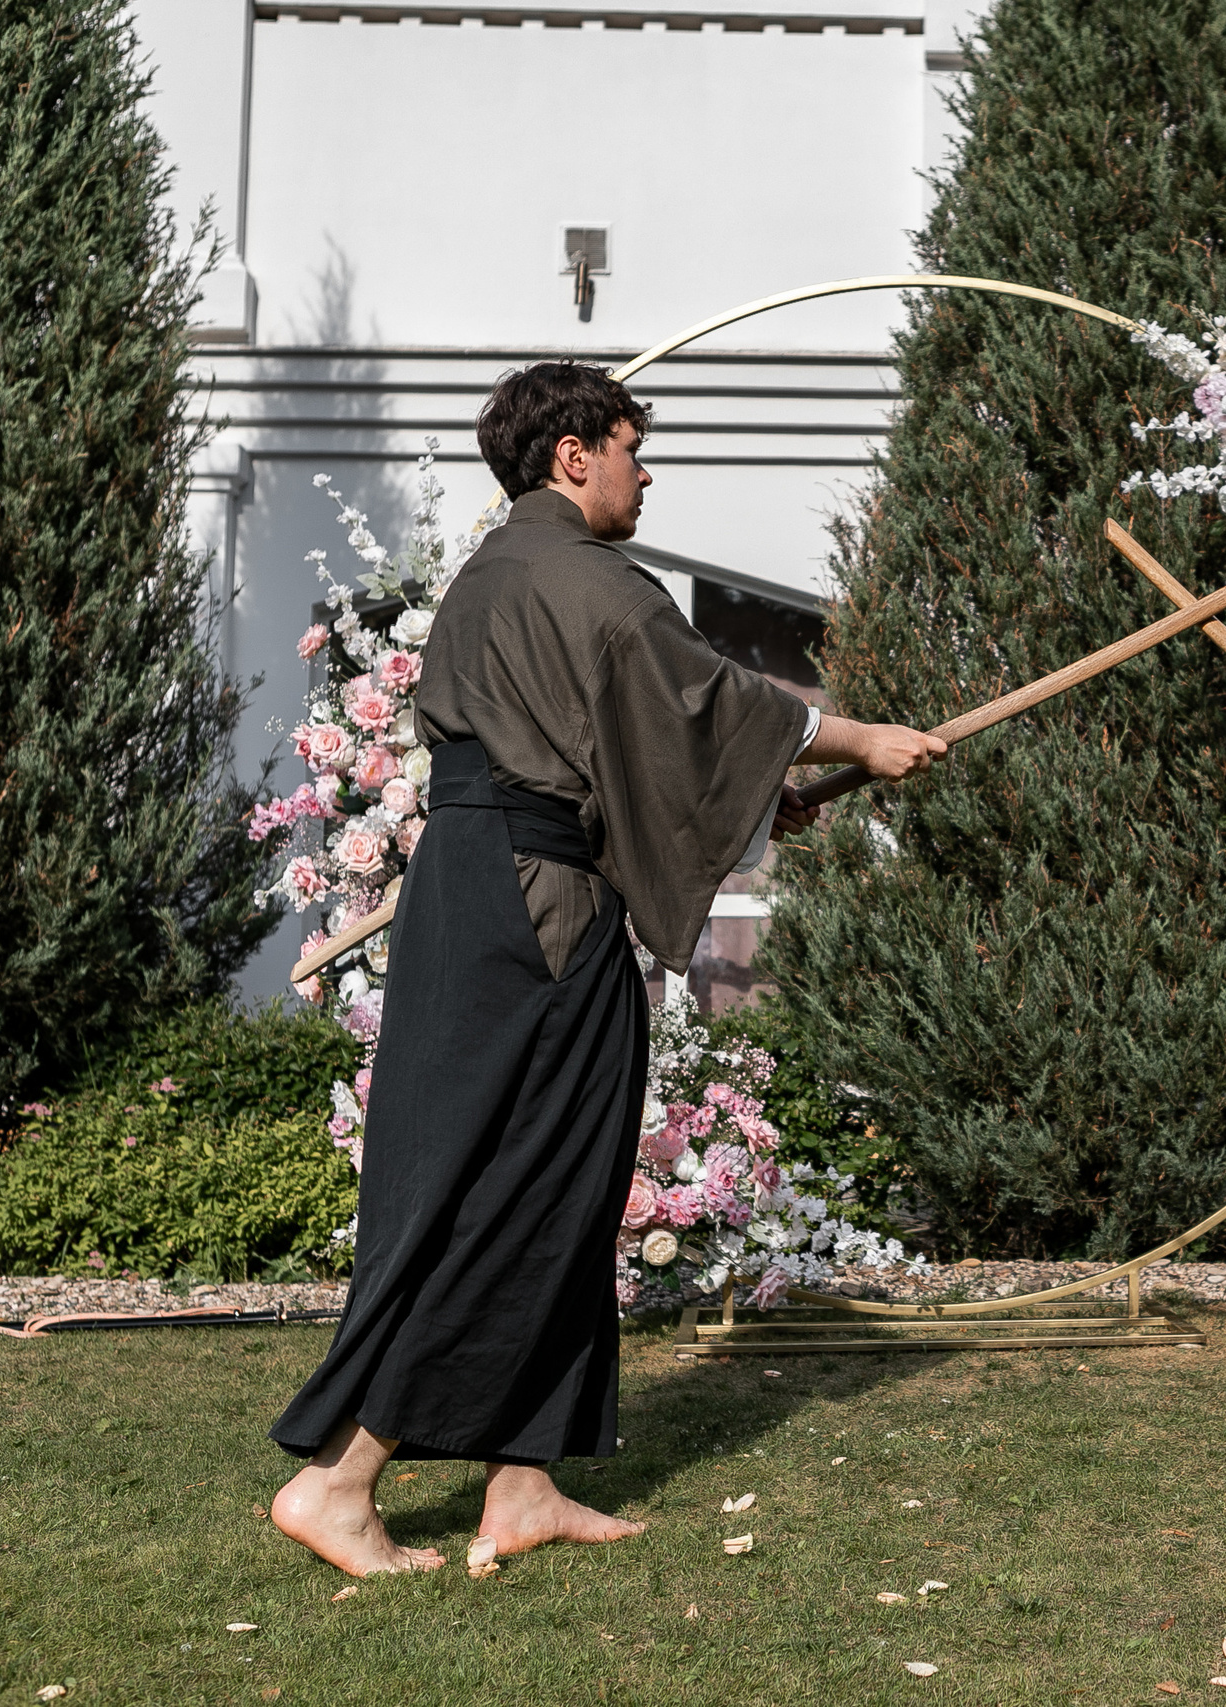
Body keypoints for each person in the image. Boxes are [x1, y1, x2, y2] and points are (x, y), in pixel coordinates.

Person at [268, 362, 946, 1575]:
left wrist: (756, 798)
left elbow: (608, 744)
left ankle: (521, 1484)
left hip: (474, 884)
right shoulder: (592, 580)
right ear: (572, 454)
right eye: (633, 447)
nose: (646, 471)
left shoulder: (489, 576)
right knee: (517, 1181)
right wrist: (856, 740)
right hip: (540, 905)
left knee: (562, 1176)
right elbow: (710, 702)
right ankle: (343, 1477)